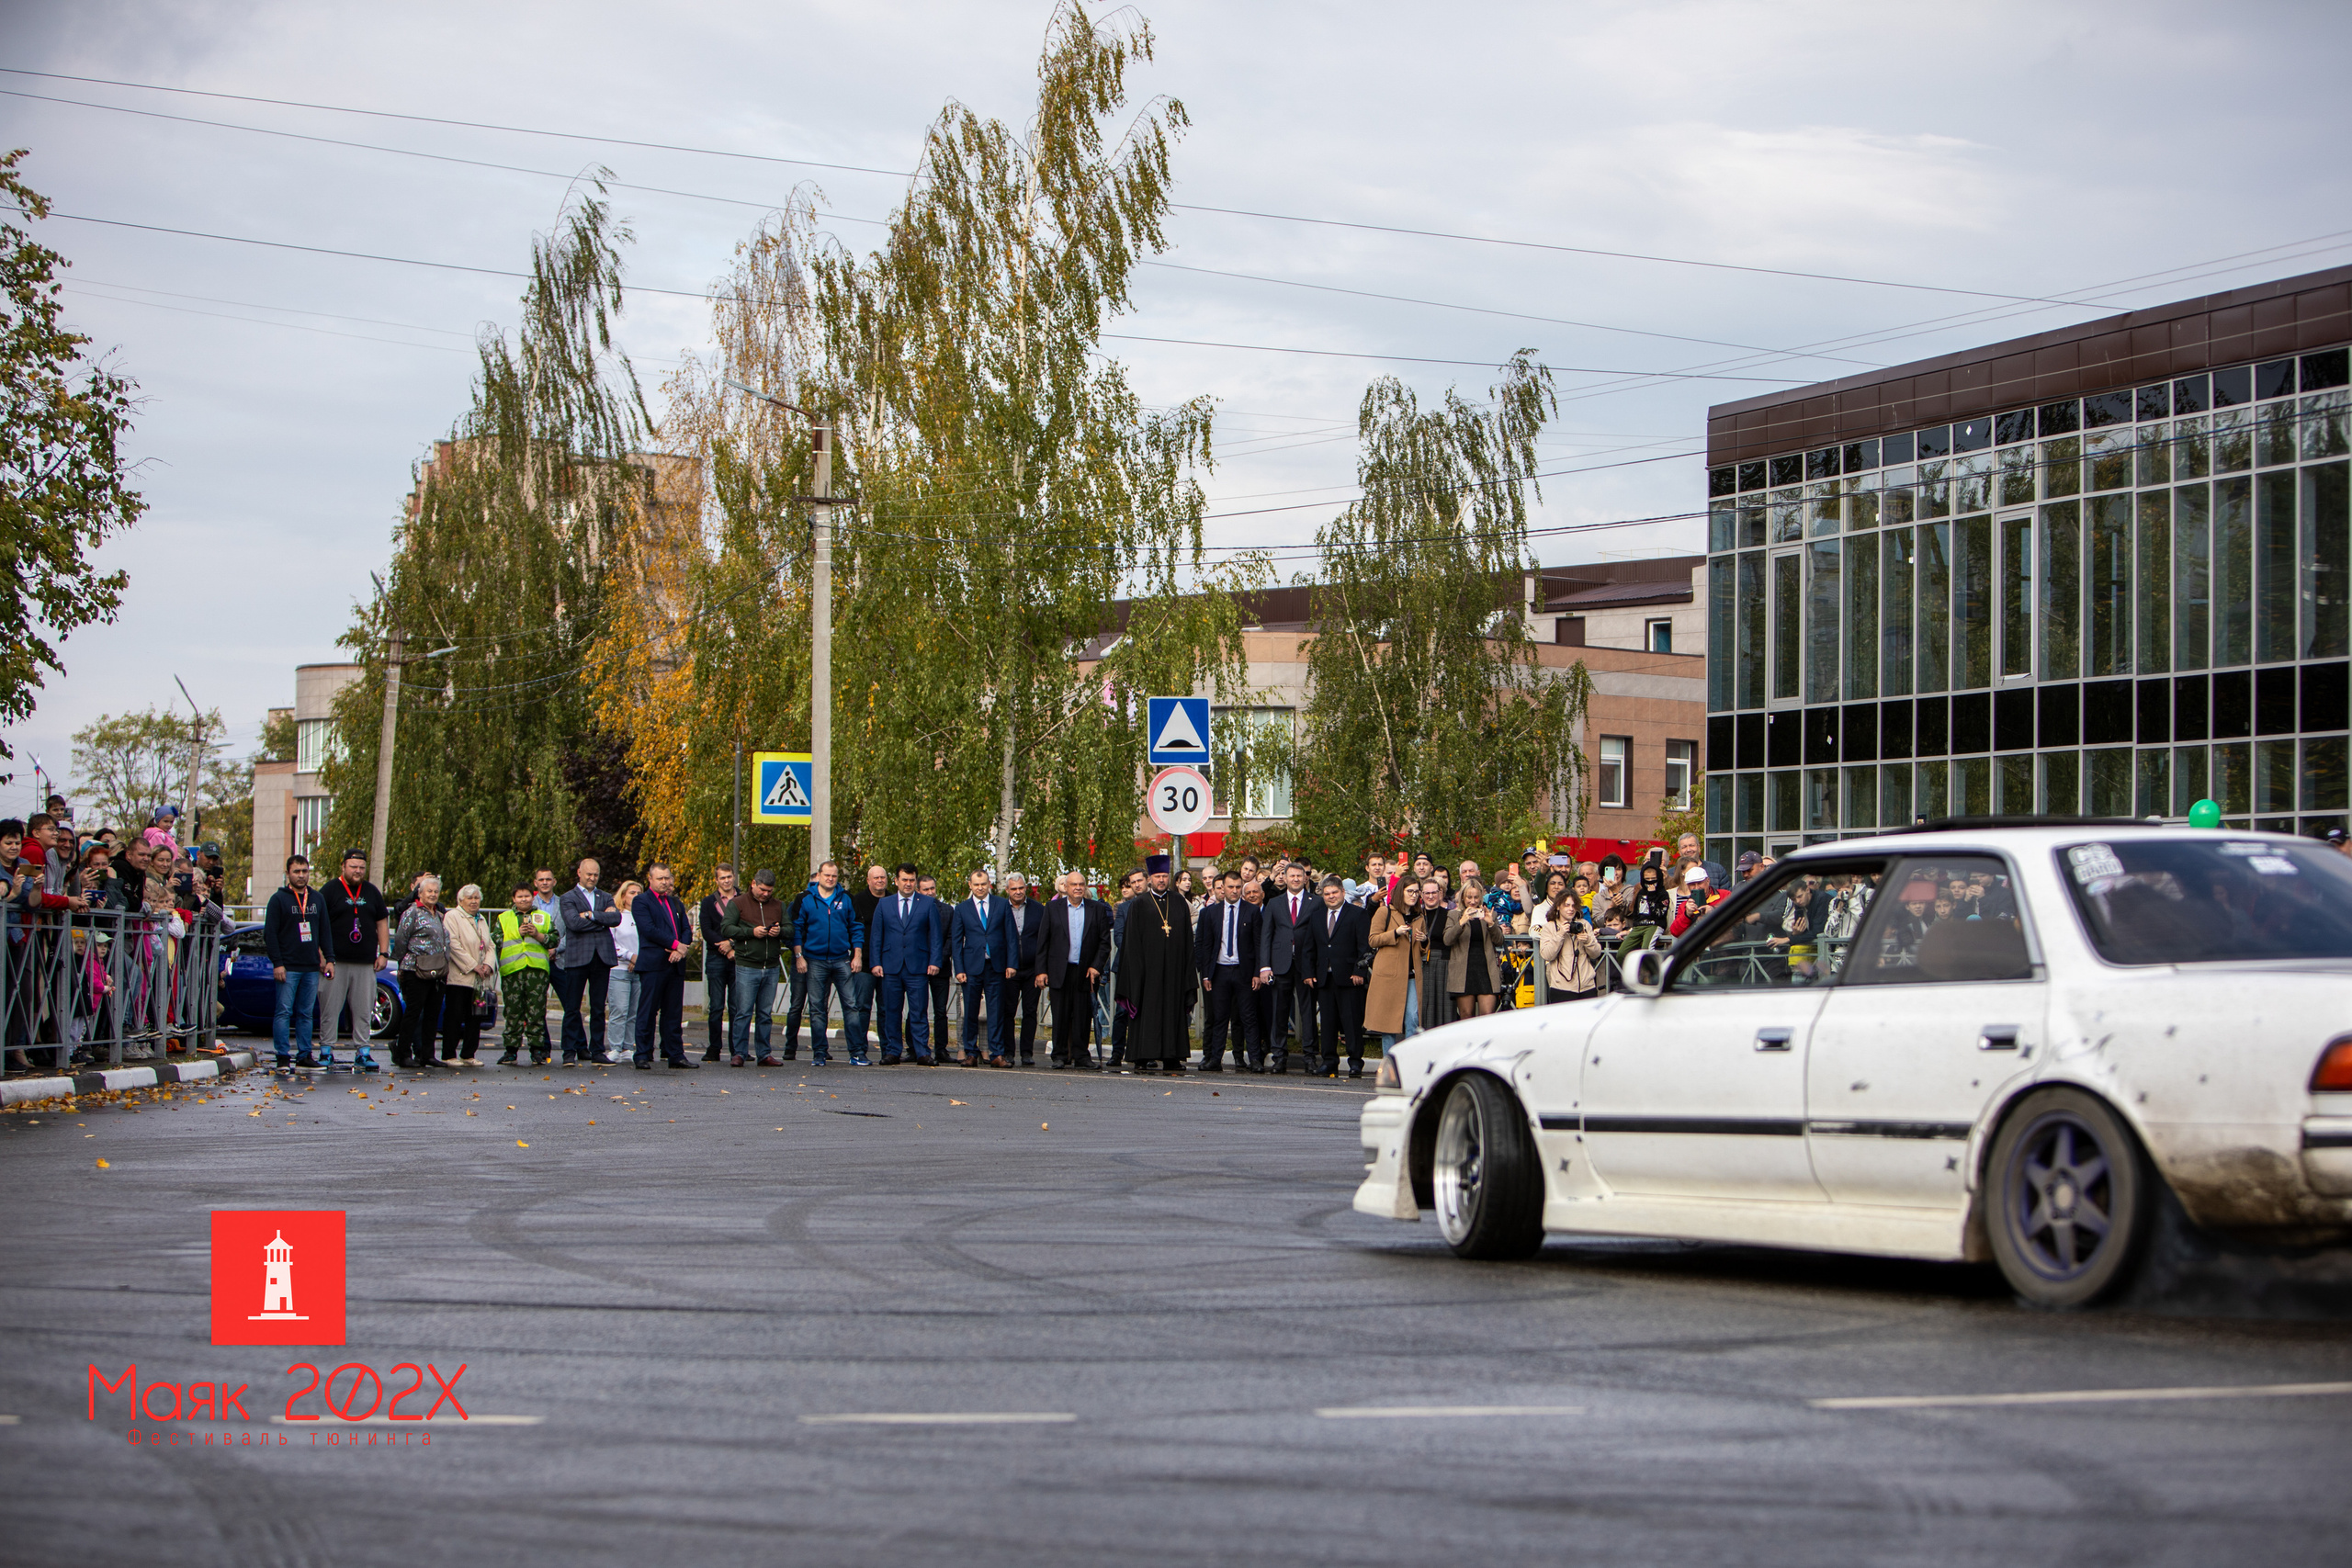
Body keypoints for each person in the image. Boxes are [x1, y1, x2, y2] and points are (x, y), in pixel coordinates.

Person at [1115, 854, 1193, 1073]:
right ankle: (1142, 1056)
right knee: (1146, 1013)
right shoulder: (1139, 904)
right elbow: (1131, 942)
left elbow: (1187, 938)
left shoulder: (1178, 902)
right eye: (1158, 876)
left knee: (1173, 1012)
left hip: (1174, 971)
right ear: (1150, 878)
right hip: (1147, 973)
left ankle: (1173, 1058)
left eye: (1165, 876)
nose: (1161, 880)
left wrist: (1186, 968)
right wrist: (1137, 973)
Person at [317, 849, 389, 1073]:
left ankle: (363, 1052)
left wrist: (384, 953)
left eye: (361, 867)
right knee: (329, 1008)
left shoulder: (372, 892)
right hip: (335, 962)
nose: (357, 871)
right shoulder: (329, 890)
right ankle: (326, 1050)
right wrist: (321, 956)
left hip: (365, 963)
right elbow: (318, 924)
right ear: (343, 866)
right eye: (353, 867)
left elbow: (382, 923)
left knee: (363, 1009)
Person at [787, 860, 864, 1065]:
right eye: (827, 875)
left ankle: (857, 1052)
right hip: (814, 961)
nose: (830, 879)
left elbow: (856, 927)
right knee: (817, 1008)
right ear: (819, 876)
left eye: (834, 876)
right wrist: (799, 956)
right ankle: (819, 1053)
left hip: (841, 960)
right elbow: (797, 930)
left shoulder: (847, 898)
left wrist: (857, 955)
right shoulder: (804, 899)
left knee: (851, 1005)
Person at [869, 864, 944, 1066]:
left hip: (918, 966)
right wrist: (875, 962)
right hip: (890, 966)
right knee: (892, 1011)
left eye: (912, 880)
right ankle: (892, 1051)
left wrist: (935, 961)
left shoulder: (927, 904)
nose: (908, 884)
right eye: (904, 880)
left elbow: (935, 936)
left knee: (919, 1011)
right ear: (896, 881)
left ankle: (922, 1052)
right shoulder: (884, 904)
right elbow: (876, 936)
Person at [1299, 874, 1372, 1077]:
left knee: (1351, 1022)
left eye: (1334, 893)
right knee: (1328, 1023)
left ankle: (1355, 1062)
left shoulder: (1357, 914)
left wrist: (1360, 970)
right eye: (1327, 894)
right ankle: (1329, 1061)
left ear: (1342, 892)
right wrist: (1308, 973)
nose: (1331, 897)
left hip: (1349, 977)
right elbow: (1308, 948)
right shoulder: (1316, 916)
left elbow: (1364, 947)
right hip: (1324, 978)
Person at [1192, 867, 1262, 1072]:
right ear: (1222, 888)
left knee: (1248, 1017)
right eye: (1230, 887)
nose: (1234, 891)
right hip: (1219, 971)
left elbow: (1258, 944)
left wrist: (1257, 972)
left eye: (1238, 887)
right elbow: (1203, 944)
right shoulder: (1209, 913)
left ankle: (1255, 1060)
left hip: (1244, 971)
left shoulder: (1252, 911)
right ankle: (1215, 1059)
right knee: (1219, 1017)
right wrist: (1205, 973)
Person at [553, 858, 621, 1066]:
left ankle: (597, 1050)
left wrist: (591, 915)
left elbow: (615, 919)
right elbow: (574, 923)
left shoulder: (606, 896)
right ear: (579, 873)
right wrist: (601, 920)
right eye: (589, 874)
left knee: (599, 1007)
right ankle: (568, 1051)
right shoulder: (567, 898)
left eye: (596, 875)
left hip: (601, 957)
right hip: (577, 957)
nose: (592, 878)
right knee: (572, 1007)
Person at [1040, 870, 1111, 1069]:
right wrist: (1041, 970)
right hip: (1059, 970)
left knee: (1083, 1015)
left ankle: (1082, 1056)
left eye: (1081, 884)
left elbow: (1104, 942)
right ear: (1066, 887)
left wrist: (1097, 966)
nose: (1078, 887)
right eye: (1074, 884)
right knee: (1060, 1014)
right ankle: (1060, 1055)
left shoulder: (1096, 909)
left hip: (1086, 972)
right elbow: (1043, 941)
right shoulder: (1053, 908)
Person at [630, 864, 697, 1069]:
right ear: (649, 879)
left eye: (667, 878)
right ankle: (642, 1053)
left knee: (673, 1012)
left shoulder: (676, 903)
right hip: (653, 964)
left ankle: (675, 1054)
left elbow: (686, 929)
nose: (665, 882)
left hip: (675, 964)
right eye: (660, 878)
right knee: (648, 1010)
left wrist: (681, 949)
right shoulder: (641, 901)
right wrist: (675, 944)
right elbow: (649, 930)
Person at [263, 854, 326, 1070]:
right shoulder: (278, 899)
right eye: (296, 871)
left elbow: (325, 931)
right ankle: (282, 1056)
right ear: (288, 874)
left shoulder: (317, 899)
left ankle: (305, 1055)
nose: (301, 875)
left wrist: (330, 959)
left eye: (305, 871)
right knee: (283, 1011)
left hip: (310, 966)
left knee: (306, 1013)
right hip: (288, 967)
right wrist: (277, 963)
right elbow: (270, 934)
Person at [725, 869, 789, 1066]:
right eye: (763, 890)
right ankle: (739, 1053)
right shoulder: (737, 904)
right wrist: (751, 932)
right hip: (747, 965)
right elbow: (727, 928)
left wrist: (779, 931)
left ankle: (764, 1053)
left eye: (770, 891)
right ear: (753, 884)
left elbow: (791, 929)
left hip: (770, 966)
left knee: (764, 1013)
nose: (766, 894)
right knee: (743, 1011)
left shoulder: (778, 905)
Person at [1256, 861, 1316, 1075]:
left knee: (1308, 1013)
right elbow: (1267, 936)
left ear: (1305, 878)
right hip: (1280, 965)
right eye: (1292, 876)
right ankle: (1279, 1057)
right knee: (1279, 1013)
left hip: (1306, 965)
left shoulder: (1315, 902)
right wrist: (1265, 966)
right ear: (1286, 878)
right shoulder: (1275, 903)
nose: (1296, 879)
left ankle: (1310, 1057)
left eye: (1300, 876)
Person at [949, 869, 1012, 1066]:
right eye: (976, 884)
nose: (980, 888)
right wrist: (958, 969)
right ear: (970, 885)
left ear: (989, 885)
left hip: (996, 966)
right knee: (970, 1012)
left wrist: (1012, 964)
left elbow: (1010, 937)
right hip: (971, 968)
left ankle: (996, 1054)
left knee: (996, 1011)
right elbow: (957, 941)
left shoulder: (1002, 905)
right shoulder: (962, 909)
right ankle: (970, 1052)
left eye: (983, 884)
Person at [390, 874, 451, 1071]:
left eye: (436, 891)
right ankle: (403, 1053)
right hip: (415, 969)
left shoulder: (439, 914)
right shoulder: (412, 912)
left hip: (436, 972)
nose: (433, 895)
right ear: (420, 893)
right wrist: (402, 963)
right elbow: (400, 939)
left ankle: (427, 1054)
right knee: (413, 1013)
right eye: (429, 891)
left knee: (433, 1014)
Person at [494, 881, 556, 1066]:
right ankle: (511, 1050)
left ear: (533, 897)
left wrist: (538, 935)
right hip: (512, 971)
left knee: (536, 1012)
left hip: (536, 972)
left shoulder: (543, 916)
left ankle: (537, 1050)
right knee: (513, 1012)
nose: (524, 900)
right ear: (514, 899)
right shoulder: (504, 918)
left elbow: (554, 938)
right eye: (520, 897)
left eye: (527, 896)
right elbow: (496, 940)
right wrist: (517, 934)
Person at [1366, 873, 1425, 1055]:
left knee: (1413, 1020)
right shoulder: (1385, 912)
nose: (1414, 895)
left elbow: (1422, 949)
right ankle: (1389, 1067)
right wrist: (1395, 933)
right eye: (1410, 891)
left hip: (1412, 975)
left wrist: (1424, 940)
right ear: (1401, 892)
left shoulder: (1419, 916)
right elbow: (1373, 940)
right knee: (1388, 1023)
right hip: (1389, 976)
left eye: (1416, 892)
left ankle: (1408, 1063)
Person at [440, 883, 495, 1065]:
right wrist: (473, 965)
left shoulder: (481, 919)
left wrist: (487, 964)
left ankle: (468, 1054)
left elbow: (490, 945)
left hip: (479, 980)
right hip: (459, 977)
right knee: (454, 1016)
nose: (473, 901)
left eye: (476, 898)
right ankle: (449, 1054)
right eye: (470, 898)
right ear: (460, 900)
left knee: (475, 1017)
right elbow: (453, 945)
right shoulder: (452, 916)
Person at [1001, 872, 1047, 1065]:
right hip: (1008, 969)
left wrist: (1041, 970)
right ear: (1007, 890)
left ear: (1026, 888)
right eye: (1014, 889)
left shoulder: (1038, 909)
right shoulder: (1000, 908)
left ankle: (1027, 1052)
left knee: (1030, 1011)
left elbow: (1044, 940)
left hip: (1032, 969)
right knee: (1008, 1011)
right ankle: (1008, 1052)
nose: (1018, 892)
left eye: (1021, 888)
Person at [1444, 875, 1503, 1021]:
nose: (1473, 901)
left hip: (1486, 970)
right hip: (1463, 972)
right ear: (1463, 898)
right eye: (1469, 897)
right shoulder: (1453, 915)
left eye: (1476, 897)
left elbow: (1499, 941)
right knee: (1466, 1016)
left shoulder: (1490, 914)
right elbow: (1447, 940)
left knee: (1487, 1016)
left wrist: (1491, 924)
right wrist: (1461, 922)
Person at [845, 863, 888, 1062]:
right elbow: (853, 930)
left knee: (887, 1008)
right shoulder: (858, 900)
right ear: (868, 880)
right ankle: (859, 1049)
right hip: (864, 963)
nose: (880, 881)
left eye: (883, 877)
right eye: (876, 878)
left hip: (889, 964)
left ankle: (888, 1050)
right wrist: (856, 956)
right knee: (862, 1007)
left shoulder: (892, 899)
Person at [696, 865, 740, 1063]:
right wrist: (724, 946)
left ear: (734, 877)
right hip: (716, 958)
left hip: (739, 956)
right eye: (722, 878)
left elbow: (748, 925)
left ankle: (737, 1049)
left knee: (737, 1006)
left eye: (729, 877)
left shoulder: (743, 899)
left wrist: (732, 944)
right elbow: (706, 930)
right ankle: (714, 1048)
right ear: (716, 880)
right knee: (715, 1006)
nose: (727, 881)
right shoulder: (708, 902)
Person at [1538, 883, 1607, 1001]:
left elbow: (1596, 953)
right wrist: (1560, 934)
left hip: (1587, 987)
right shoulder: (1549, 927)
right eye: (1567, 905)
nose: (1571, 909)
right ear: (1558, 906)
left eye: (1573, 906)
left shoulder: (1583, 925)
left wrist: (1587, 941)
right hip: (1561, 987)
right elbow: (1546, 955)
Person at [606, 881, 643, 1060]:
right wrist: (630, 956)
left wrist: (639, 959)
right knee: (619, 1010)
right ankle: (615, 1047)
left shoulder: (643, 917)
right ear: (623, 896)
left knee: (633, 1012)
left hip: (640, 970)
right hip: (619, 970)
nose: (635, 896)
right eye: (632, 893)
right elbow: (612, 944)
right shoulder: (617, 917)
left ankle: (629, 1047)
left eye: (639, 893)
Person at [918, 874, 953, 1055]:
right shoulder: (914, 910)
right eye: (926, 889)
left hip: (941, 968)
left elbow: (950, 939)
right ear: (918, 890)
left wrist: (937, 961)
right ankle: (915, 1048)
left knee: (940, 1011)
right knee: (917, 1009)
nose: (930, 892)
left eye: (932, 888)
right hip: (918, 968)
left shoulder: (947, 910)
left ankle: (941, 1049)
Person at [1668, 864, 1727, 939]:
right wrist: (1687, 915)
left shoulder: (1725, 895)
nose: (1697, 887)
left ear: (1708, 881)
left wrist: (1714, 910)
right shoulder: (1685, 906)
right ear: (1688, 886)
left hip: (1721, 946)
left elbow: (1737, 916)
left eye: (1700, 883)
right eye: (1692, 884)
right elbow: (1675, 932)